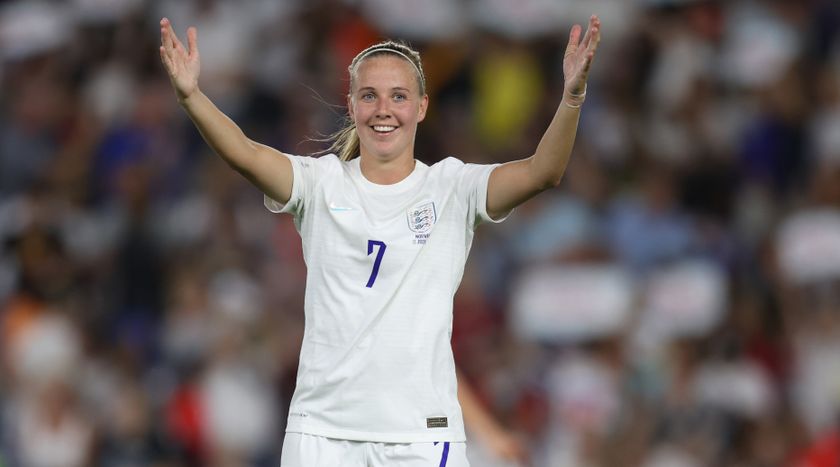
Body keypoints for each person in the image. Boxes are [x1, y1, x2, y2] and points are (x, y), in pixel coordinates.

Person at [159, 14, 600, 467]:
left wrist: (572, 96)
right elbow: (246, 154)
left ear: (423, 106)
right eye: (369, 95)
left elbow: (543, 172)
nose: (383, 109)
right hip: (323, 432)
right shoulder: (320, 182)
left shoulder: (453, 187)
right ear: (351, 106)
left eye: (399, 96)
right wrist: (192, 97)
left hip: (421, 435)